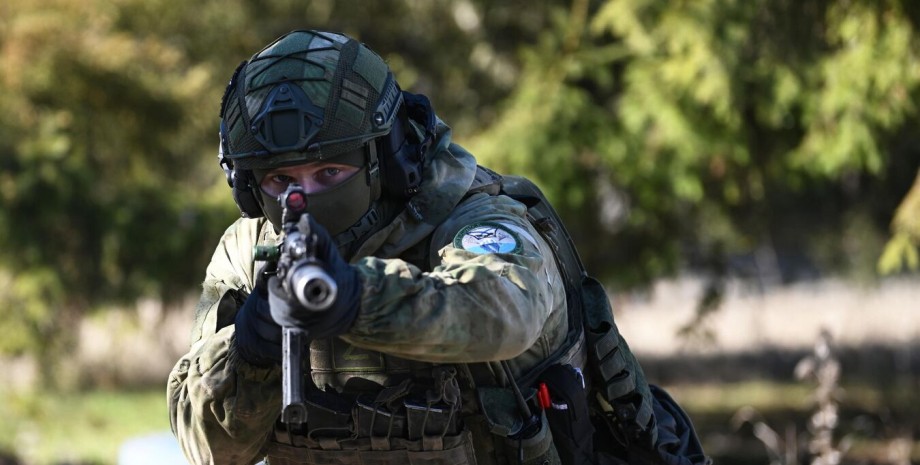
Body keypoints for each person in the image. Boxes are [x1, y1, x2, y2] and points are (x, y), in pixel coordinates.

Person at [168, 29, 708, 465]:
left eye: (329, 171)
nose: (301, 200)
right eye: (279, 179)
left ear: (388, 159)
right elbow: (208, 450)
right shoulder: (248, 253)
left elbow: (504, 312)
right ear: (245, 184)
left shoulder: (475, 216)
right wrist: (248, 354)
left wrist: (353, 299)